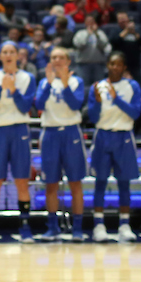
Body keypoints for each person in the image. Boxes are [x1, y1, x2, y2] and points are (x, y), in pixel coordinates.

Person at [0, 42, 34, 245]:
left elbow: (25, 107)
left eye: (12, 52)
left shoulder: (27, 78)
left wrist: (13, 91)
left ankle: (25, 227)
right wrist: (0, 90)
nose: (9, 55)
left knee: (22, 180)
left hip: (20, 128)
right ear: (0, 56)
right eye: (5, 52)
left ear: (18, 56)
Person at [86, 52, 141, 243]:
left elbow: (135, 113)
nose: (115, 67)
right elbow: (92, 118)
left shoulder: (132, 86)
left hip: (124, 135)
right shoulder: (97, 86)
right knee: (100, 182)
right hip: (102, 135)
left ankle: (124, 225)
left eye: (119, 64)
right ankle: (99, 225)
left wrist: (116, 98)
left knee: (124, 182)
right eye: (112, 64)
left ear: (124, 67)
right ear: (107, 65)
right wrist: (97, 102)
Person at [34, 47, 87, 242]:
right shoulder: (43, 81)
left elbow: (75, 105)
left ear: (68, 61)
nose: (57, 60)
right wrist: (49, 84)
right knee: (51, 184)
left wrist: (64, 84)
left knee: (75, 182)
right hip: (50, 133)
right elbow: (38, 105)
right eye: (53, 57)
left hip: (71, 132)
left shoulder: (76, 81)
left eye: (61, 57)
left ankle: (78, 228)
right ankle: (52, 227)